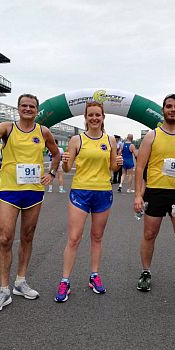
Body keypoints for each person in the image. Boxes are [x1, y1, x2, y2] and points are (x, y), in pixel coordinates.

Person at [0, 94, 60, 313]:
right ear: (18, 109)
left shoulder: (43, 131)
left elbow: (56, 154)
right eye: (24, 105)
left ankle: (21, 281)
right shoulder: (8, 128)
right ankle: (3, 289)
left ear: (37, 110)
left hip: (33, 192)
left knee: (27, 236)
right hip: (9, 191)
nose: (28, 109)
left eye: (32, 106)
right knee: (5, 238)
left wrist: (52, 173)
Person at [133, 94, 175, 294]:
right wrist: (138, 195)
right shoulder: (152, 136)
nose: (173, 109)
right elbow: (140, 167)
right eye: (169, 106)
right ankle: (146, 272)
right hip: (155, 193)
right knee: (149, 234)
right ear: (163, 110)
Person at [54, 102, 123, 303]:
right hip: (80, 192)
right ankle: (65, 281)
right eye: (90, 115)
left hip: (102, 192)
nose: (94, 118)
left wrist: (117, 165)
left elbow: (112, 168)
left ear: (103, 118)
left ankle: (94, 276)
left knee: (97, 237)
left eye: (97, 115)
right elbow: (67, 169)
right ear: (85, 117)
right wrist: (66, 161)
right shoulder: (77, 139)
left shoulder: (110, 140)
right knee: (74, 238)